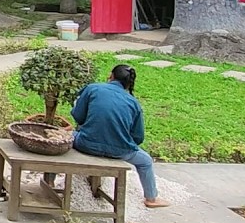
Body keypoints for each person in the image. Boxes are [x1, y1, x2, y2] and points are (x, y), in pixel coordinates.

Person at [69, 64, 170, 208]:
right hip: (120, 151)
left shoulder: (93, 89)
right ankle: (151, 198)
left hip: (86, 144)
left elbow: (78, 116)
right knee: (146, 161)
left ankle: (51, 182)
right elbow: (138, 137)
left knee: (62, 137)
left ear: (111, 76)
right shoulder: (134, 103)